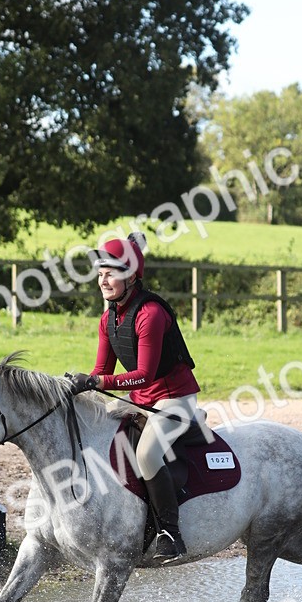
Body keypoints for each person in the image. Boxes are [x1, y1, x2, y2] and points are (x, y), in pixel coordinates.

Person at [68, 233, 200, 562]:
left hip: (174, 400)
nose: (104, 280)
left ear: (131, 276)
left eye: (111, 273)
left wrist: (97, 380)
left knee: (146, 454)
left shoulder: (151, 314)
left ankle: (171, 532)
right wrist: (78, 387)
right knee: (97, 423)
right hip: (140, 398)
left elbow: (145, 373)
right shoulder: (108, 318)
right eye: (100, 274)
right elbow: (102, 370)